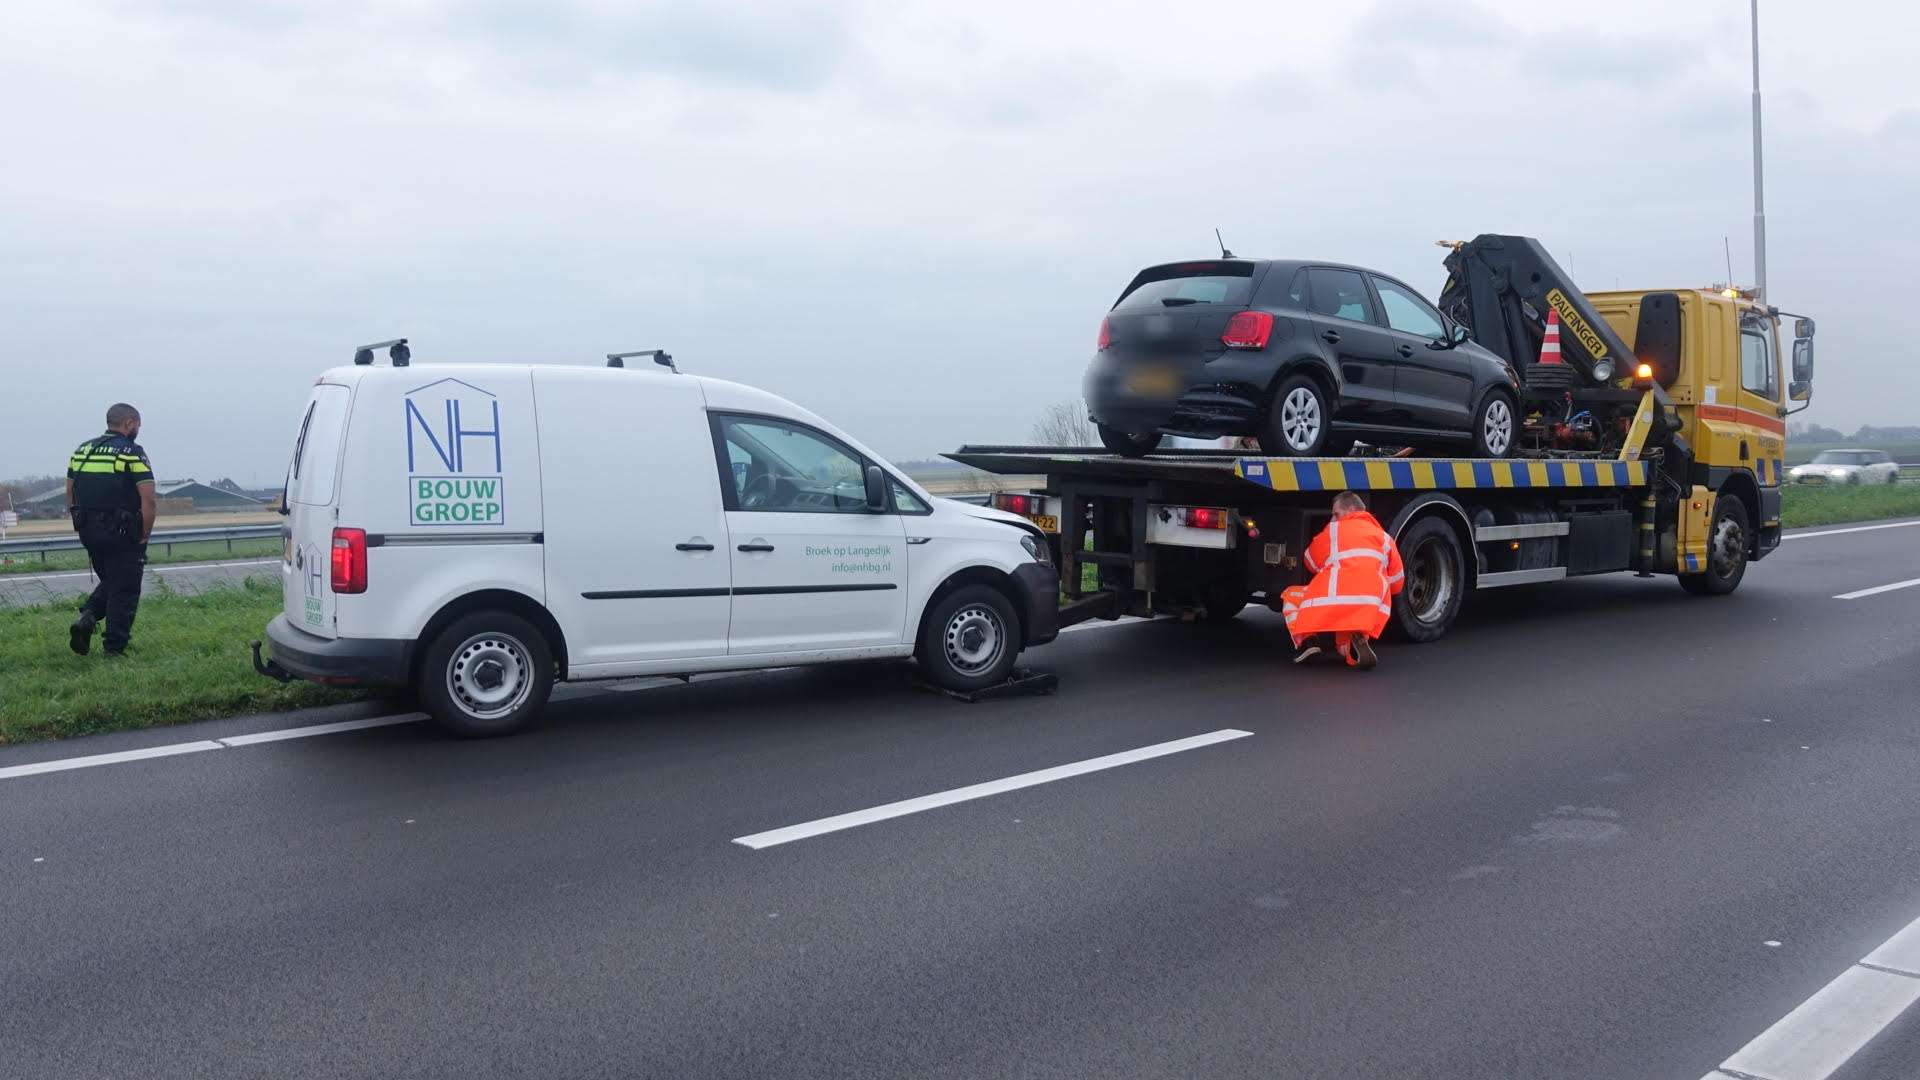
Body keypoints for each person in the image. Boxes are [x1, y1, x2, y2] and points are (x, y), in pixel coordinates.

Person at [65, 403, 156, 657]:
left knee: (114, 581)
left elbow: (70, 493)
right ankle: (114, 650)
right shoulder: (131, 452)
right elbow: (148, 498)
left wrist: (82, 525)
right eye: (137, 424)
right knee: (124, 590)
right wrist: (145, 532)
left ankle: (87, 618)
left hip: (89, 531)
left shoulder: (82, 450)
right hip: (123, 532)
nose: (137, 429)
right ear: (129, 423)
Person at [1281, 490, 1402, 669]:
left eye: (1336, 514)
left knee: (1291, 596)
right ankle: (1351, 649)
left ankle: (1309, 643)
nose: (1333, 520)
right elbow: (1397, 583)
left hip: (1333, 599)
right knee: (1352, 620)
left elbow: (1310, 561)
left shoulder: (1334, 531)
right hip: (1369, 605)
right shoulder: (1385, 538)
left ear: (1350, 510)